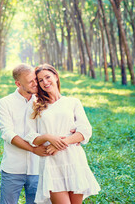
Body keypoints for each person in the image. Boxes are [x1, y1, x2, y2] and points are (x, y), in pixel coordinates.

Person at [24, 64, 100, 204]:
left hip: (74, 160)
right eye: (40, 80)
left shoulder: (72, 102)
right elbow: (31, 137)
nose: (45, 82)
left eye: (48, 77)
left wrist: (59, 144)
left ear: (56, 77)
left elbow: (85, 131)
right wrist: (48, 137)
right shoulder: (35, 106)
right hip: (52, 163)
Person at [0, 64, 50, 204]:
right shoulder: (5, 103)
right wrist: (33, 149)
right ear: (18, 83)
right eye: (30, 81)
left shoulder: (43, 102)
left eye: (35, 80)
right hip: (13, 168)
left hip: (38, 168)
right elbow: (7, 133)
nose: (35, 84)